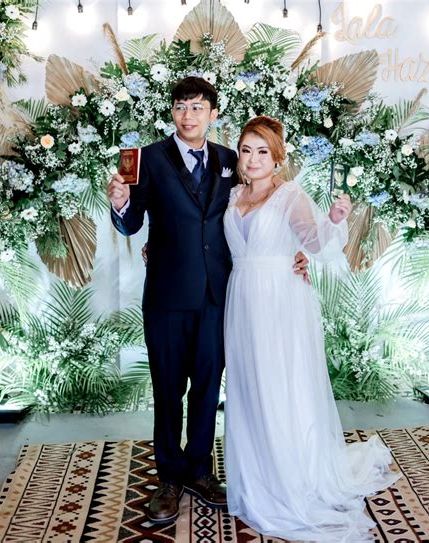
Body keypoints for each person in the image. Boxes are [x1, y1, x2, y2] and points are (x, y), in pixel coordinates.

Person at [107, 78, 309, 525]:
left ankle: (199, 470)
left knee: (206, 388)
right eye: (181, 107)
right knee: (168, 390)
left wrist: (294, 252)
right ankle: (168, 478)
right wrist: (120, 204)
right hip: (166, 296)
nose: (188, 115)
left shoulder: (230, 159)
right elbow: (131, 224)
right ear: (172, 112)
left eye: (198, 107)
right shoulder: (148, 159)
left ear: (213, 114)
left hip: (219, 296)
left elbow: (265, 203)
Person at [223, 116, 401, 542]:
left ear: (277, 157)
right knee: (250, 387)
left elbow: (316, 242)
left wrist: (335, 219)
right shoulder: (231, 195)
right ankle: (257, 475)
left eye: (262, 151)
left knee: (282, 387)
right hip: (241, 298)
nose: (253, 159)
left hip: (280, 301)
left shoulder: (290, 195)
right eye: (246, 150)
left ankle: (291, 479)